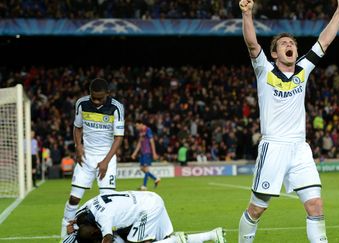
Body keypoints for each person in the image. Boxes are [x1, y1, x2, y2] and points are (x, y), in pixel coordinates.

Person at [237, 0, 339, 242]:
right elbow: (251, 43)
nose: (289, 45)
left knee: (316, 206)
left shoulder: (303, 69)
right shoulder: (264, 70)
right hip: (273, 146)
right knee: (256, 209)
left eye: (292, 44)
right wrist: (247, 14)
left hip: (300, 148)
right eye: (283, 44)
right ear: (275, 53)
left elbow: (325, 41)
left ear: (297, 52)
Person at [60, 78, 125, 239]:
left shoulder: (116, 108)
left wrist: (106, 161)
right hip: (86, 157)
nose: (96, 101)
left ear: (107, 94)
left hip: (107, 157)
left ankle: (107, 235)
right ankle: (65, 232)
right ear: (89, 93)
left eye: (100, 98)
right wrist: (78, 147)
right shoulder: (81, 104)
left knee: (107, 201)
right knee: (74, 198)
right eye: (93, 97)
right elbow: (77, 127)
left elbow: (118, 138)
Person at [62, 190, 226, 243]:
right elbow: (77, 222)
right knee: (157, 239)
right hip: (147, 198)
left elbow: (106, 237)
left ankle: (175, 240)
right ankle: (213, 234)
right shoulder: (88, 207)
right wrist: (74, 227)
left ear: (93, 230)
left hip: (148, 208)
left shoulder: (104, 219)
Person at [131, 120, 160, 191]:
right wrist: (134, 153)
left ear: (141, 124)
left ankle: (144, 186)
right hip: (142, 152)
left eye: (137, 126)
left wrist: (154, 153)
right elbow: (140, 143)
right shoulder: (141, 132)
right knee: (142, 168)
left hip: (147, 152)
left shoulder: (148, 130)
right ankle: (156, 178)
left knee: (146, 169)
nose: (137, 128)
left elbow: (152, 141)